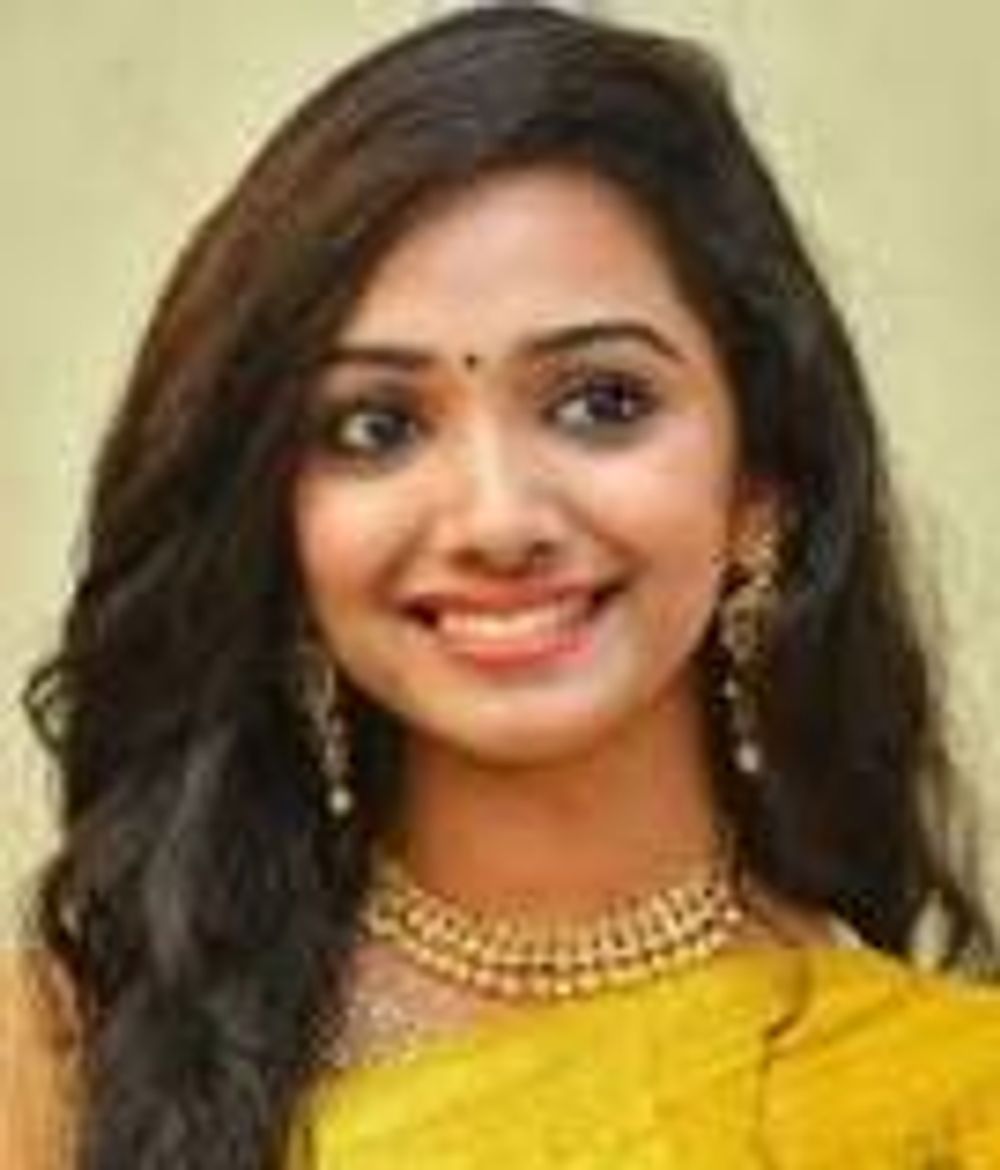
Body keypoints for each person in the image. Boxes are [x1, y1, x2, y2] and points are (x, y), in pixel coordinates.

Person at [4, 5, 1000, 1168]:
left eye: (601, 403)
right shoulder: (76, 1057)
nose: (498, 520)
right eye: (376, 426)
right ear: (277, 525)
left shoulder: (946, 1103)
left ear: (758, 487)